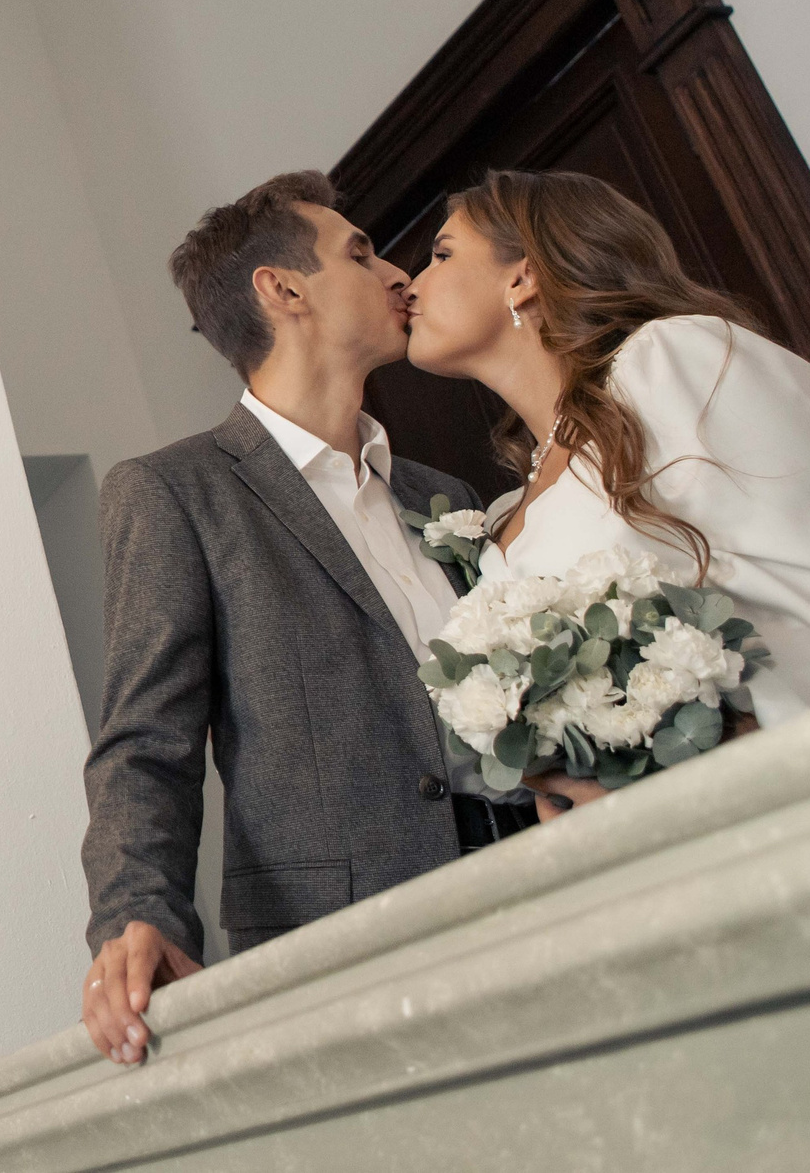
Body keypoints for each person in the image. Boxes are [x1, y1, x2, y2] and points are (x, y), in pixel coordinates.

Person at [79, 172, 502, 1069]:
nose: (400, 274)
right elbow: (144, 743)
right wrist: (137, 916)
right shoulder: (173, 493)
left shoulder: (446, 495)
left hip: (529, 892)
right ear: (283, 289)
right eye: (360, 252)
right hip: (338, 947)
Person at [403, 168, 810, 821]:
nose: (411, 281)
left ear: (523, 275)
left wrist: (690, 770)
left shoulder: (673, 360)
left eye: (443, 253)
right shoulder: (508, 513)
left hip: (799, 806)